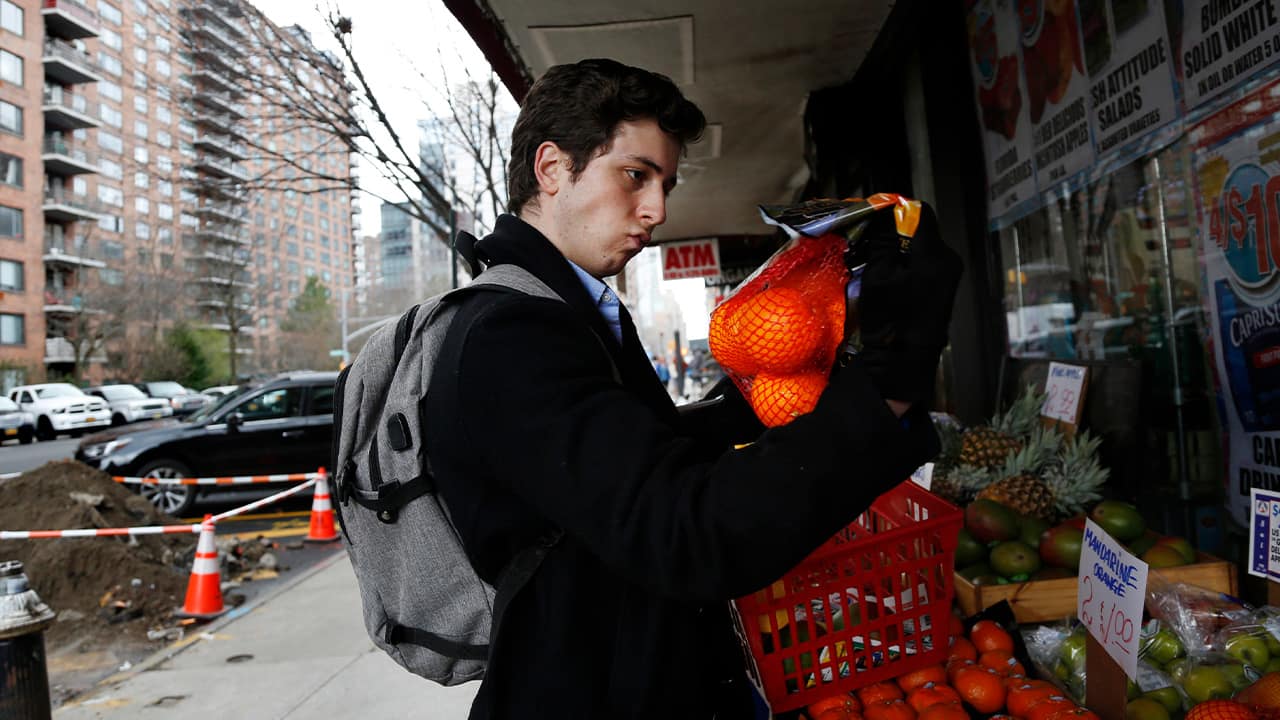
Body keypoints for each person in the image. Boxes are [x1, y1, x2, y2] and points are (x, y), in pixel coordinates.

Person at [423, 58, 962, 719]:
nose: (657, 209)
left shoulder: (559, 313)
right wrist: (888, 385)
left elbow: (644, 457)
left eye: (665, 183)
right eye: (635, 176)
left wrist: (778, 391)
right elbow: (681, 530)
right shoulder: (509, 334)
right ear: (552, 168)